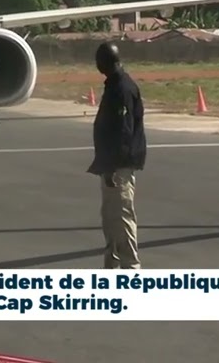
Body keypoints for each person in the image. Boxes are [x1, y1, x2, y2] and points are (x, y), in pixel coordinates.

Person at [87, 42, 146, 270]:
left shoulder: (122, 88)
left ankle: (131, 269)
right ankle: (112, 267)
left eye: (99, 61)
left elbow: (124, 131)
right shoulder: (113, 85)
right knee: (111, 222)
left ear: (105, 63)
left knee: (122, 220)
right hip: (110, 167)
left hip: (118, 168)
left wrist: (112, 166)